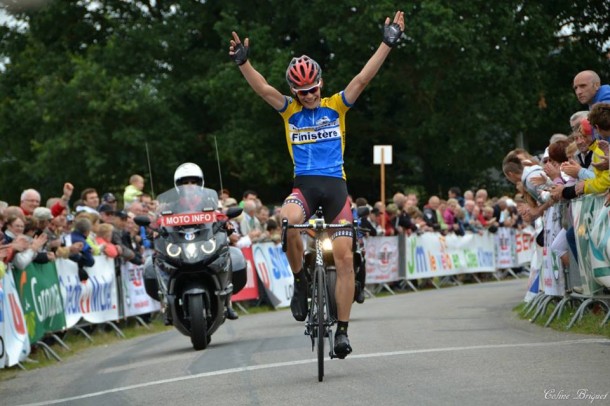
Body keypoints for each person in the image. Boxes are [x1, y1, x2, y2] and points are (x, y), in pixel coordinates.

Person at [229, 10, 405, 358]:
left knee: (343, 259)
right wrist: (243, 65)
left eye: (312, 89)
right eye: (301, 91)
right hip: (305, 187)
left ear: (320, 84)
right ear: (294, 90)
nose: (307, 95)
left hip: (336, 187)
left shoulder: (336, 106)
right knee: (287, 220)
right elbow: (263, 89)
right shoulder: (288, 110)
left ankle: (342, 331)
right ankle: (300, 282)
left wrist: (387, 43)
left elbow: (363, 78)